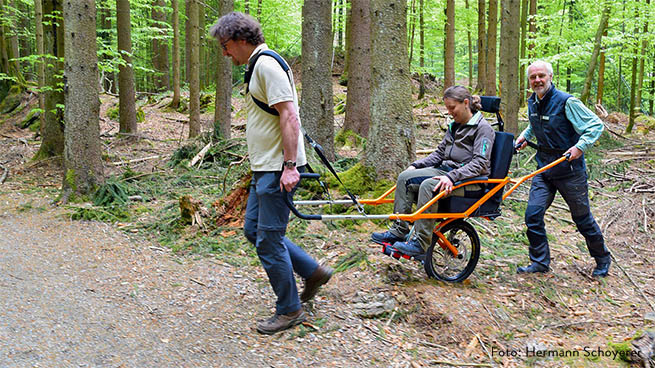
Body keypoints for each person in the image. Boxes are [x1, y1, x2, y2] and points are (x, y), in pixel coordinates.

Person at [210, 12, 332, 335]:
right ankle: (312, 270)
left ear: (240, 39)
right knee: (254, 230)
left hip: (278, 169)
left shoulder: (266, 65)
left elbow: (290, 116)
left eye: (225, 46)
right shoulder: (257, 65)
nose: (225, 53)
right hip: (264, 168)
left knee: (268, 241)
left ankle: (290, 309)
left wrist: (290, 167)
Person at [372, 86, 495, 257]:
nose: (450, 113)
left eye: (453, 108)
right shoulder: (455, 126)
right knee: (404, 177)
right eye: (448, 109)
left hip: (470, 181)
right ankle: (399, 229)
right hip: (446, 171)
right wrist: (416, 165)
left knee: (429, 185)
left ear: (466, 103)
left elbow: (480, 164)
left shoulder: (483, 128)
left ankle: (420, 244)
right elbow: (439, 153)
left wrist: (451, 177)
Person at [515, 60, 610, 277]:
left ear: (550, 77)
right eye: (533, 77)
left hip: (569, 170)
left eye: (541, 76)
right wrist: (525, 136)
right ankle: (540, 262)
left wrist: (580, 147)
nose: (537, 80)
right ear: (529, 81)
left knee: (582, 218)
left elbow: (595, 125)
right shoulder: (533, 101)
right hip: (544, 168)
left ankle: (602, 259)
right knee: (533, 215)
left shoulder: (567, 102)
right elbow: (535, 123)